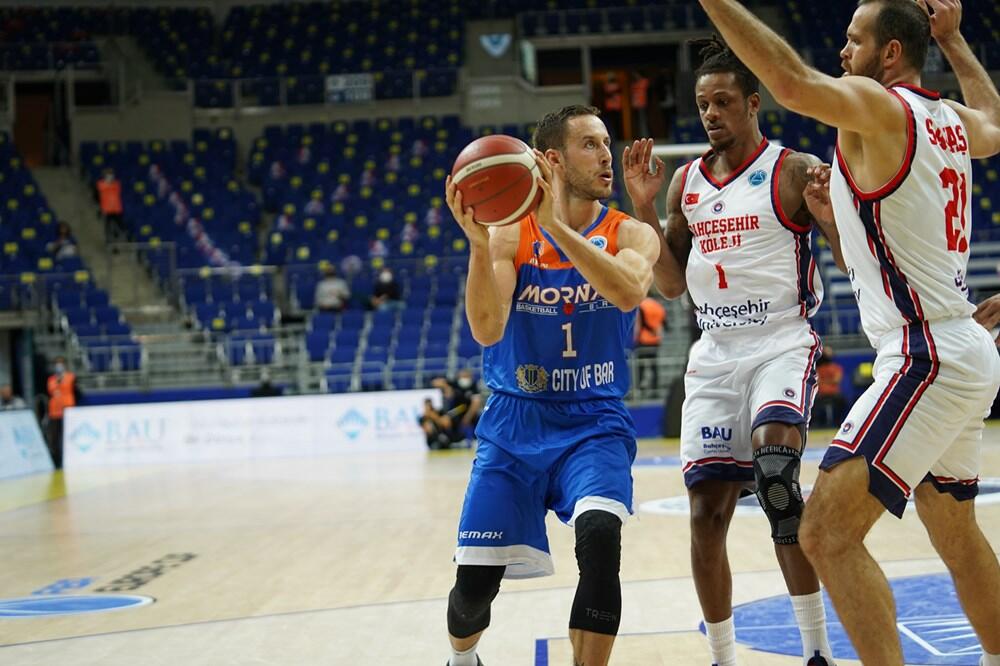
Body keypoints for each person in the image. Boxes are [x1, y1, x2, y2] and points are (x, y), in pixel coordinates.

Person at [696, 0, 1000, 663]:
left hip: (924, 354)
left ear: (890, 53)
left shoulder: (882, 106)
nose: (842, 50)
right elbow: (996, 123)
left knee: (825, 534)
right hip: (958, 345)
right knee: (956, 534)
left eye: (854, 39)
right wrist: (954, 41)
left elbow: (791, 83)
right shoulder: (948, 119)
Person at [622, 36, 844, 666]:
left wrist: (829, 216)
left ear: (752, 103)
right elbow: (670, 283)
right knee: (706, 515)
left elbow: (850, 256)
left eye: (723, 101)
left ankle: (817, 651)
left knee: (777, 480)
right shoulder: (685, 183)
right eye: (702, 105)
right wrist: (642, 206)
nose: (711, 114)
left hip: (781, 342)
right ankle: (722, 657)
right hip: (715, 352)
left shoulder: (793, 170)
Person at [442, 104, 659, 666]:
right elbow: (487, 329)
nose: (607, 155)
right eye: (590, 144)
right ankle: (462, 660)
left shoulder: (630, 233)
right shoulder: (508, 236)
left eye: (606, 142)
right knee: (473, 592)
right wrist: (476, 246)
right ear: (552, 161)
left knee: (600, 541)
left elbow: (628, 292)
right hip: (514, 421)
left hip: (595, 423)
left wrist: (558, 226)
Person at [46, 356, 80, 470]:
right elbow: (48, 393)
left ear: (65, 365)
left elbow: (77, 393)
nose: (59, 366)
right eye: (57, 363)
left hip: (68, 412)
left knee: (68, 437)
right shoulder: (51, 379)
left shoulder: (71, 377)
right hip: (54, 412)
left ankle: (71, 459)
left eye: (61, 363)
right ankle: (57, 462)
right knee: (54, 438)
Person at [634, 294, 666, 390]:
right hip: (655, 340)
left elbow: (639, 323)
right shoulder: (659, 306)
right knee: (654, 366)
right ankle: (655, 387)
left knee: (641, 366)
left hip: (643, 340)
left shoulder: (642, 305)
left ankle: (640, 388)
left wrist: (636, 337)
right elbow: (664, 323)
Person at [812, 346, 847, 429]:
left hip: (834, 394)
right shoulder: (818, 368)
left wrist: (823, 380)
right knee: (811, 402)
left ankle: (839, 422)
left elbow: (836, 380)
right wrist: (829, 380)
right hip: (821, 394)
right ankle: (816, 424)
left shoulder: (836, 367)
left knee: (843, 401)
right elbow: (817, 381)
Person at [96, 169, 123, 242]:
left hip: (116, 209)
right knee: (107, 225)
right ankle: (108, 239)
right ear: (105, 176)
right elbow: (100, 190)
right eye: (108, 175)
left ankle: (116, 237)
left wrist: (109, 184)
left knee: (118, 225)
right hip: (106, 209)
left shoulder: (117, 184)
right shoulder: (100, 184)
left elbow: (117, 189)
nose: (110, 177)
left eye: (112, 175)